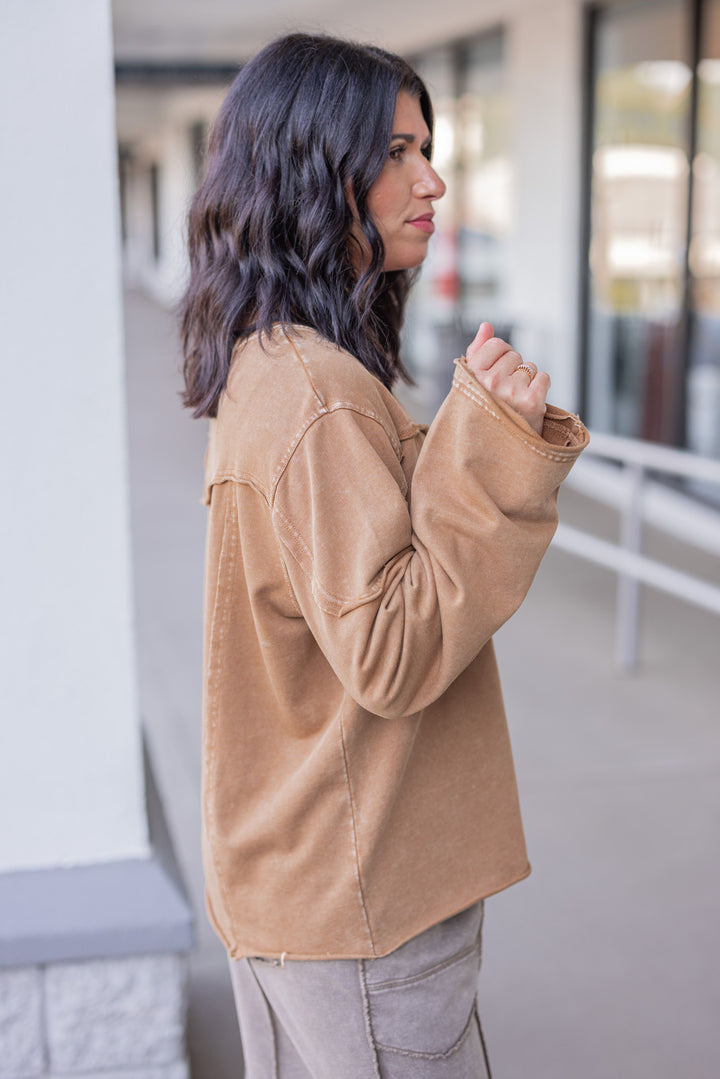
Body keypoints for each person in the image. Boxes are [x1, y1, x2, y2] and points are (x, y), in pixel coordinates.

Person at [180, 32, 589, 1079]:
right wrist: (491, 445)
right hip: (360, 898)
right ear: (315, 169)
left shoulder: (277, 360)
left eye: (427, 147)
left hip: (311, 879)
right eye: (399, 152)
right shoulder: (312, 391)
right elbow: (394, 650)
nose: (433, 179)